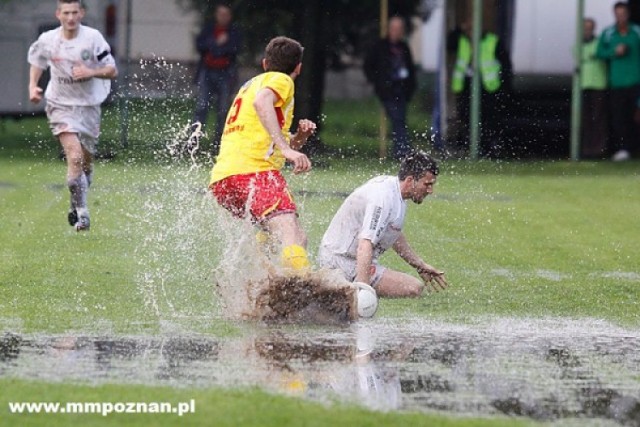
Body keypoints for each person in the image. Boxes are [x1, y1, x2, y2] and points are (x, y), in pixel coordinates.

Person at [209, 36, 316, 272]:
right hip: (254, 173)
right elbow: (262, 102)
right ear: (298, 67)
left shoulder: (250, 84)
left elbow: (266, 135)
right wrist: (287, 149)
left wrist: (298, 139)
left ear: (264, 63)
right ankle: (307, 291)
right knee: (291, 234)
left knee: (295, 236)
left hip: (224, 179)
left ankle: (264, 288)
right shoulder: (282, 81)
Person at [27, 0, 117, 231]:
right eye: (66, 13)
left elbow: (111, 70)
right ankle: (83, 213)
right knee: (74, 156)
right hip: (60, 104)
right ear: (58, 14)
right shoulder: (49, 39)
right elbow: (37, 60)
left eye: (74, 12)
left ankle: (75, 202)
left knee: (85, 164)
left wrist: (91, 71)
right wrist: (33, 86)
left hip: (88, 106)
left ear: (82, 13)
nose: (70, 17)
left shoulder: (93, 38)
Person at [317, 150, 448, 298]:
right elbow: (365, 244)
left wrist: (420, 265)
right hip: (339, 261)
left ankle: (341, 289)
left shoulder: (397, 193)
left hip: (354, 260)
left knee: (413, 288)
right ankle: (334, 286)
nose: (430, 190)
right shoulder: (383, 198)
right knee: (356, 302)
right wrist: (364, 291)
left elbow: (393, 233)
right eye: (427, 184)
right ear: (410, 180)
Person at [448, 20, 512, 158]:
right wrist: (460, 28)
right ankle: (473, 147)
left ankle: (489, 148)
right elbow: (449, 44)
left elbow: (505, 65)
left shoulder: (492, 41)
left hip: (488, 87)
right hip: (467, 87)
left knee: (488, 120)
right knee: (467, 118)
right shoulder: (462, 41)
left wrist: (504, 86)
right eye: (469, 31)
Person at [364, 16, 417, 160]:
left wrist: (410, 88)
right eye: (394, 28)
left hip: (402, 89)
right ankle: (403, 151)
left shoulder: (404, 47)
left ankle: (402, 149)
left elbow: (411, 70)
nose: (396, 32)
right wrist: (377, 82)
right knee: (397, 119)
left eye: (399, 29)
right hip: (387, 90)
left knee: (400, 119)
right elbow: (369, 65)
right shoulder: (380, 47)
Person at [193, 3, 242, 152]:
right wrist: (216, 44)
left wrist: (215, 48)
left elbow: (233, 49)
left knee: (223, 110)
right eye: (220, 14)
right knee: (201, 107)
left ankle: (219, 143)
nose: (223, 17)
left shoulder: (233, 32)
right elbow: (200, 46)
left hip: (225, 74)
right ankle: (194, 141)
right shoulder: (209, 30)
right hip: (207, 72)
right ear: (216, 15)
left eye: (226, 14)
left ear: (230, 16)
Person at [596, 1, 640, 161]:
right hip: (617, 83)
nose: (620, 16)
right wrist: (614, 52)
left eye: (623, 13)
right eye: (618, 14)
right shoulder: (608, 33)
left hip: (636, 81)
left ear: (627, 14)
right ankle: (623, 149)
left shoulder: (636, 31)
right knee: (619, 118)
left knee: (635, 116)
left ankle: (635, 148)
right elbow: (600, 53)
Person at [579, 18, 609, 159]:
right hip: (584, 85)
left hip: (598, 84)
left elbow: (598, 54)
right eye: (585, 27)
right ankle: (586, 149)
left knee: (598, 118)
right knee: (586, 119)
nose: (587, 30)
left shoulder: (599, 43)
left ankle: (599, 149)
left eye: (589, 27)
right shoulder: (579, 44)